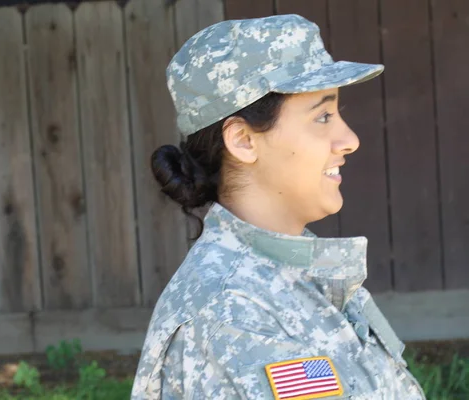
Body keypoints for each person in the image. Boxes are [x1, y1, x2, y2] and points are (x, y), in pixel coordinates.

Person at [131, 14, 426, 400]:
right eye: (322, 116)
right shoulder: (232, 314)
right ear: (243, 141)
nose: (349, 139)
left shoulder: (295, 275)